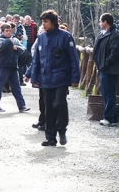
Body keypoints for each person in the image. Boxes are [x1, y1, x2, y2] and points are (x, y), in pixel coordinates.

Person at [26, 10, 80, 146]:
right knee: (48, 107)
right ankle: (50, 137)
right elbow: (36, 60)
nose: (43, 24)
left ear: (53, 22)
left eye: (46, 21)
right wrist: (34, 77)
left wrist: (75, 77)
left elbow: (74, 59)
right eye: (42, 22)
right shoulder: (41, 38)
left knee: (59, 104)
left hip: (61, 77)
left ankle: (61, 130)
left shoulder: (65, 37)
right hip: (45, 79)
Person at [92, 13, 119, 127]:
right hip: (103, 69)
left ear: (105, 22)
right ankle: (113, 117)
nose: (99, 23)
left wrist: (105, 65)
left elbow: (116, 53)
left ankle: (109, 117)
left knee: (109, 94)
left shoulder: (114, 36)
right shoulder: (102, 35)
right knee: (106, 93)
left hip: (110, 70)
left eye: (101, 21)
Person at [0, 23, 30, 113]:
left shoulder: (14, 39)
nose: (9, 32)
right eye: (7, 31)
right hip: (3, 66)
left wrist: (17, 49)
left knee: (16, 87)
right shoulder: (0, 39)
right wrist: (9, 41)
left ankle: (22, 105)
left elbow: (22, 49)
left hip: (13, 66)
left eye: (10, 30)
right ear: (2, 31)